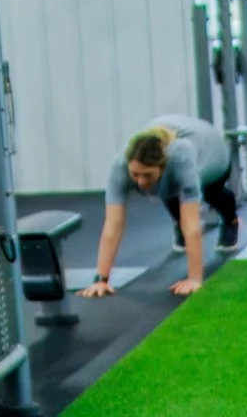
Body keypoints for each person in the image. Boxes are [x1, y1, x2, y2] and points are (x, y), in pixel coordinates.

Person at [82, 115, 239, 300]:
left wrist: (194, 279)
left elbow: (193, 223)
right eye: (135, 174)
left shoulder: (181, 157)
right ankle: (176, 220)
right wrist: (101, 279)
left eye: (147, 174)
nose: (140, 182)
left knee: (213, 194)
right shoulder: (120, 165)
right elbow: (113, 223)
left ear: (164, 166)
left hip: (213, 155)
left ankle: (231, 221)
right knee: (166, 191)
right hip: (170, 161)